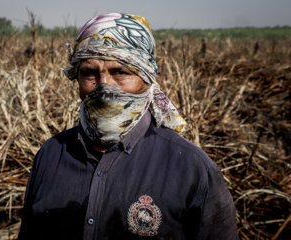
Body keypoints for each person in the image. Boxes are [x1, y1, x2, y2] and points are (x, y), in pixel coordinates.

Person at [18, 13, 238, 240]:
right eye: (90, 73)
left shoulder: (193, 169)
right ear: (77, 79)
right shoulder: (51, 154)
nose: (104, 86)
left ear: (146, 79)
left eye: (120, 72)